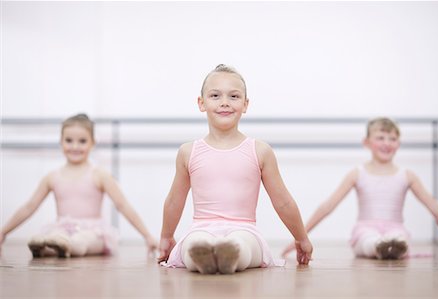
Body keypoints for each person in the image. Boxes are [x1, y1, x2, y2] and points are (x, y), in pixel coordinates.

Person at [157, 64, 312, 274]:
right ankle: (204, 257)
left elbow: (283, 202)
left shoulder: (260, 151)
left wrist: (301, 237)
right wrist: (166, 236)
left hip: (244, 229)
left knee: (243, 244)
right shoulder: (188, 152)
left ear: (245, 104)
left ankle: (230, 254)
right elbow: (175, 200)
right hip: (201, 228)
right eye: (215, 95)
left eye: (234, 96)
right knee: (194, 244)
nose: (224, 103)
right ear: (201, 103)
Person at [282, 117, 438, 260]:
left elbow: (435, 207)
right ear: (367, 142)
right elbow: (327, 207)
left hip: (395, 228)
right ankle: (379, 247)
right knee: (366, 240)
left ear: (399, 143)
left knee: (400, 238)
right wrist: (300, 236)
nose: (387, 143)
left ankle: (393, 246)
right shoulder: (358, 173)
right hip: (366, 228)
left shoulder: (406, 175)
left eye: (392, 138)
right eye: (381, 138)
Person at [0, 114, 158, 258]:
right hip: (63, 229)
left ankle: (59, 246)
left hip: (94, 232)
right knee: (56, 235)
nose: (75, 146)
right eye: (69, 141)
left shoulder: (99, 175)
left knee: (82, 240)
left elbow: (123, 205)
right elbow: (29, 206)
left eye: (82, 141)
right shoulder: (52, 177)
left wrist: (147, 236)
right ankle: (46, 246)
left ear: (92, 143)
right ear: (61, 142)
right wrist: (3, 232)